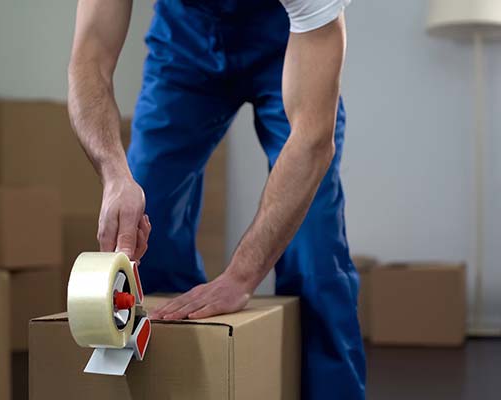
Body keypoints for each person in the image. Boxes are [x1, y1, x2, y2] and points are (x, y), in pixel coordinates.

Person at [67, 0, 365, 398]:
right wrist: (114, 174)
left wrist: (241, 277)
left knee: (313, 247)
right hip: (184, 44)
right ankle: (184, 383)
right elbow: (89, 60)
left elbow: (311, 141)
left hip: (287, 43)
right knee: (143, 232)